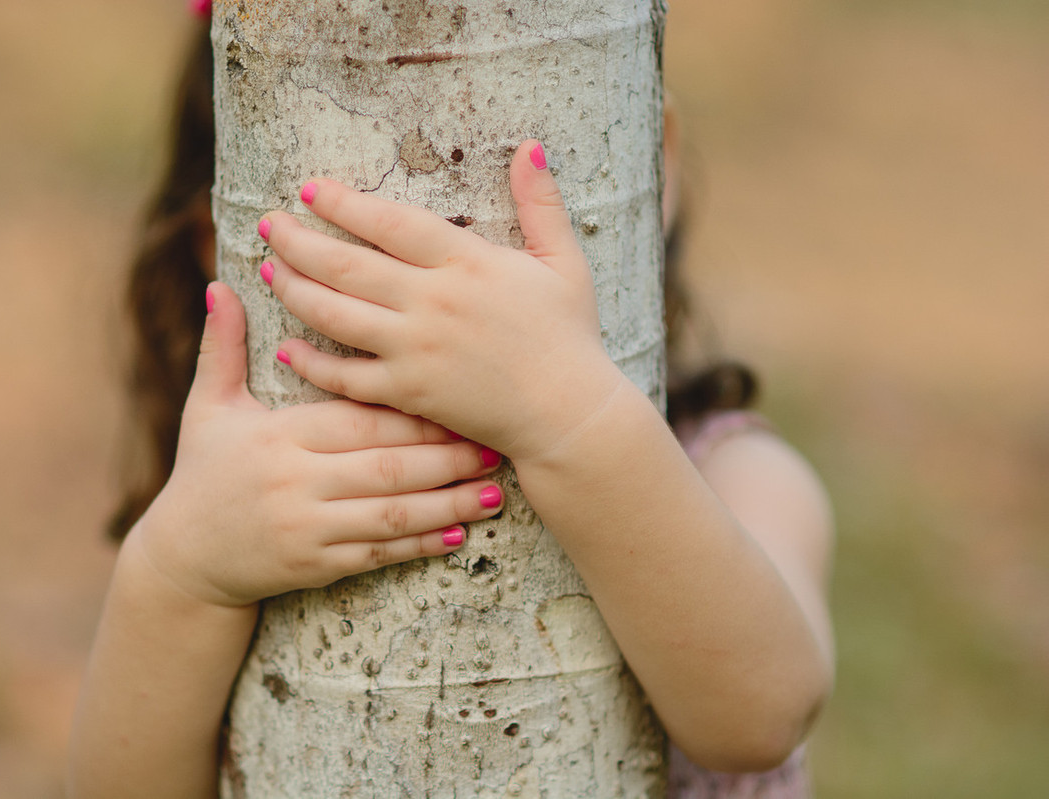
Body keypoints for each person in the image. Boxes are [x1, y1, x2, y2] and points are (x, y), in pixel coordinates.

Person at [68, 16, 834, 799]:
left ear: (648, 167)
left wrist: (569, 414)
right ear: (222, 235)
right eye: (375, 204)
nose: (445, 269)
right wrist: (178, 575)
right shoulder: (237, 498)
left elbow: (760, 717)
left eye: (485, 185)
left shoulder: (734, 469)